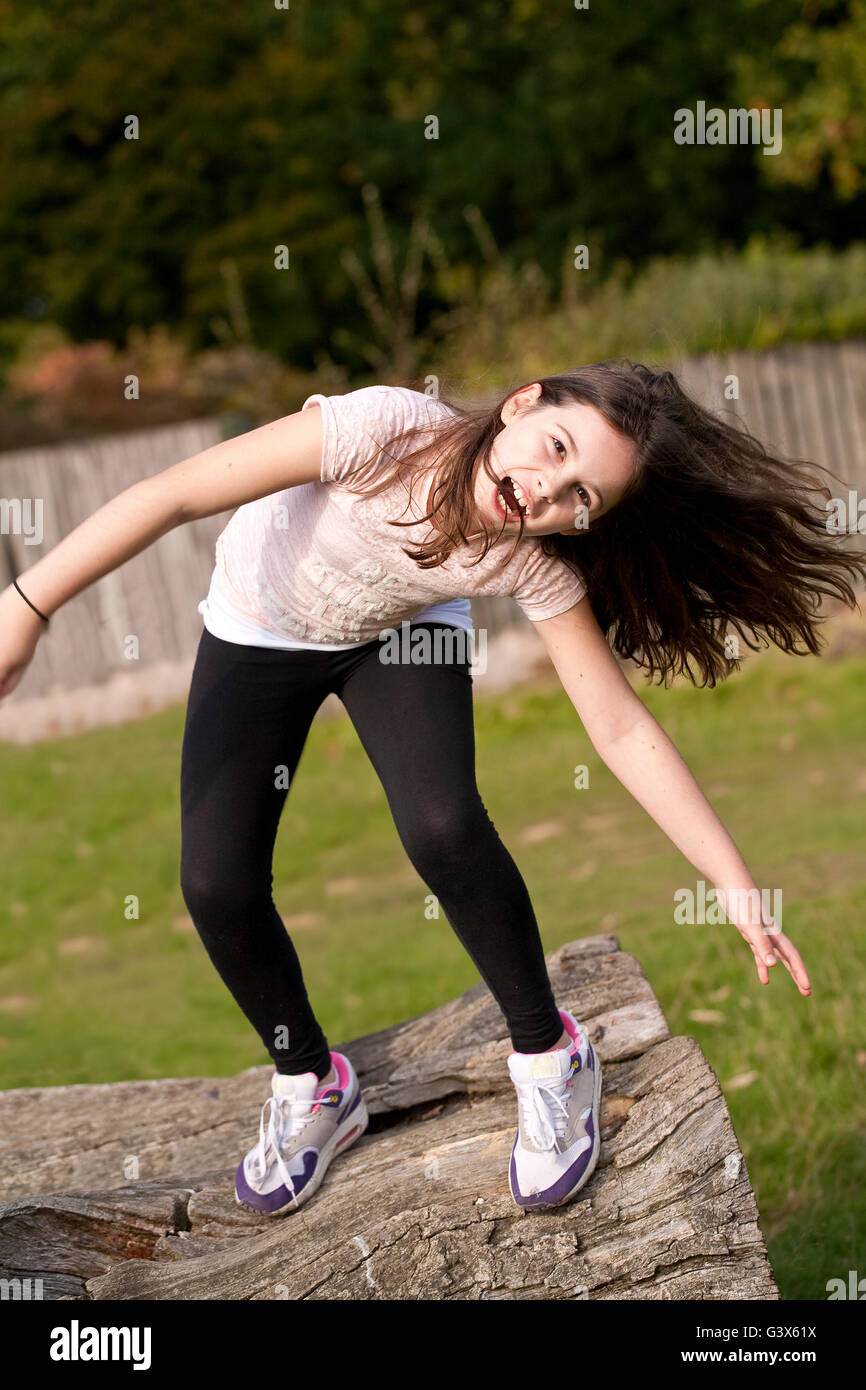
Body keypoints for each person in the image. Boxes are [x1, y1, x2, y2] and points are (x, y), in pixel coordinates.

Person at [1, 361, 860, 1218]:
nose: (543, 492)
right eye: (553, 448)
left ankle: (552, 1055)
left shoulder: (532, 561)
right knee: (214, 882)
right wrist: (27, 605)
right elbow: (173, 494)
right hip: (260, 622)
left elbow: (619, 727)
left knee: (444, 824)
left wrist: (734, 883)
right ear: (522, 404)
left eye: (578, 497)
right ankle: (313, 1083)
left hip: (400, 631)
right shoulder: (381, 431)